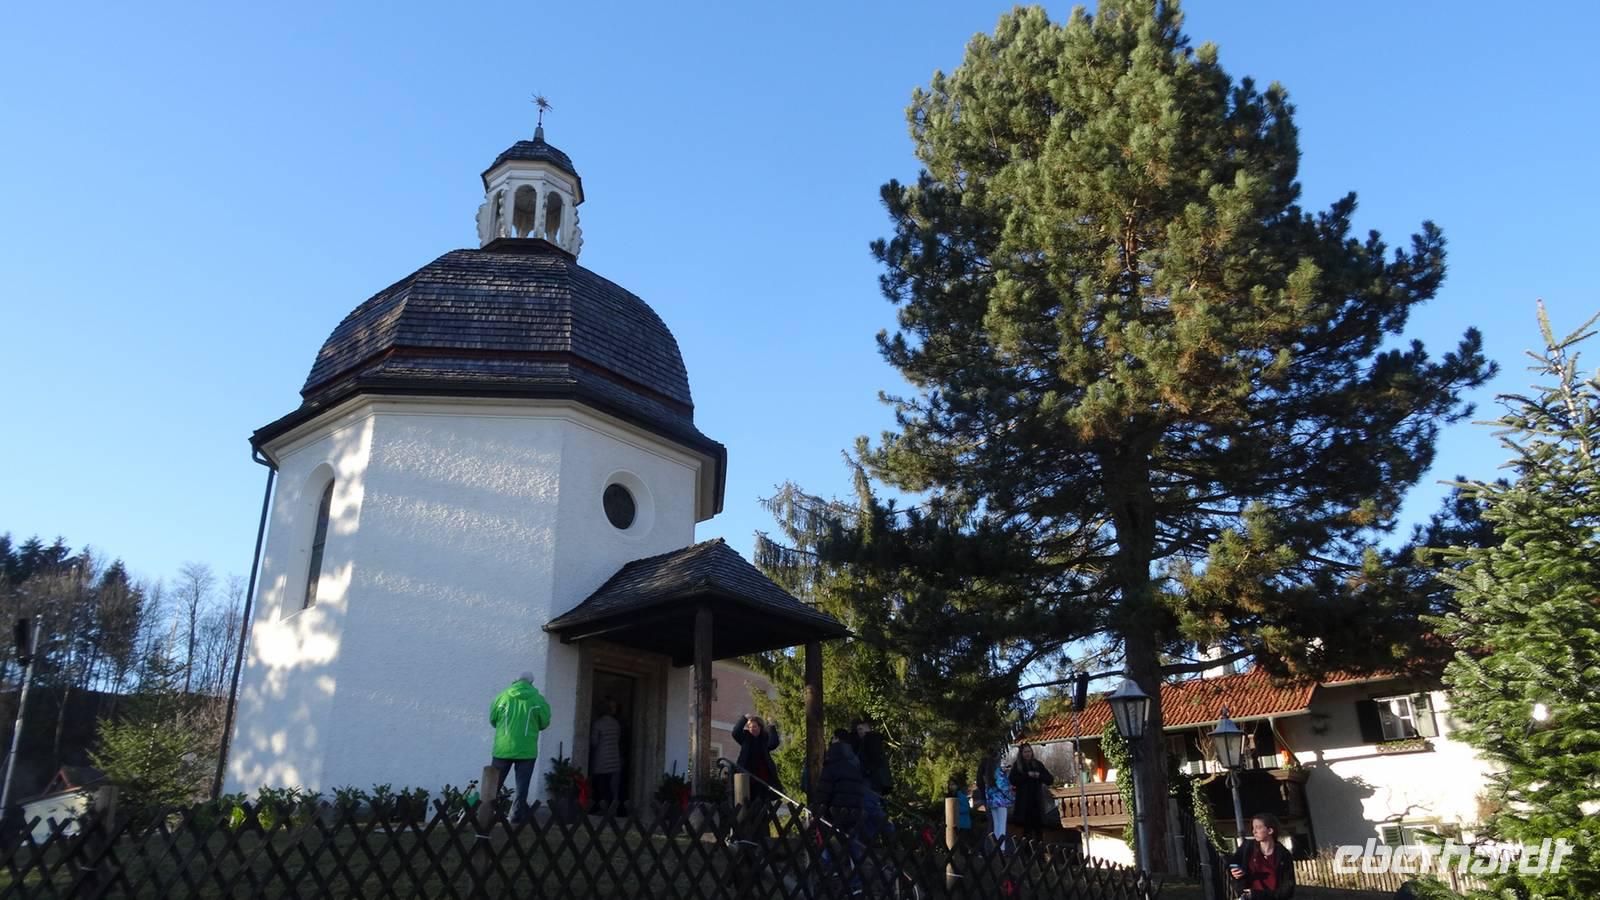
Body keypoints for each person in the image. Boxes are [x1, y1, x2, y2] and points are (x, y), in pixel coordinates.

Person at [488, 672, 552, 823]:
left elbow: (493, 720)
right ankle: (515, 817)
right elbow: (544, 723)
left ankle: (485, 815)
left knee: (493, 785)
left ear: (515, 680)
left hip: (502, 749)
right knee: (522, 787)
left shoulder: (501, 697)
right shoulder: (539, 700)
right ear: (532, 682)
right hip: (527, 750)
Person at [1227, 813, 1296, 899]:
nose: (1254, 831)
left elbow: (1288, 889)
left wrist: (1259, 895)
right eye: (1253, 828)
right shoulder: (1247, 847)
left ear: (1270, 830)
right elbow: (1230, 864)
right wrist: (1234, 871)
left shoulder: (1284, 855)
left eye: (1258, 827)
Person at [1007, 743, 1055, 843]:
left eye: (1029, 751)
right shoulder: (1017, 766)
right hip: (1024, 803)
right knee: (1026, 831)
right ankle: (1026, 853)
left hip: (1037, 802)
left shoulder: (1037, 764)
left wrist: (1039, 775)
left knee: (1039, 830)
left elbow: (1050, 780)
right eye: (1025, 752)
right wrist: (1026, 775)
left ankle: (1039, 852)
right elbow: (1012, 780)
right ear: (1021, 753)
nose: (1027, 754)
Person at [731, 714, 783, 801]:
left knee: (762, 801)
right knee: (747, 800)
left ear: (760, 727)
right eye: (750, 727)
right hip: (747, 775)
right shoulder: (745, 737)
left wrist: (771, 726)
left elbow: (774, 743)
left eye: (754, 727)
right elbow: (735, 733)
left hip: (762, 776)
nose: (751, 729)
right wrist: (744, 718)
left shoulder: (764, 739)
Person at [589, 697, 623, 812]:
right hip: (614, 759)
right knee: (611, 788)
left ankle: (601, 810)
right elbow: (617, 739)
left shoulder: (598, 724)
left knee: (601, 787)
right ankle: (612, 810)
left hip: (601, 759)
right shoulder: (616, 724)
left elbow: (594, 742)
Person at [978, 752, 1015, 851]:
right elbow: (1003, 786)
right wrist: (1012, 796)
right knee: (1002, 825)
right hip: (1001, 802)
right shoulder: (998, 772)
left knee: (996, 824)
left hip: (992, 802)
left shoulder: (987, 773)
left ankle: (995, 847)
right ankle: (1001, 848)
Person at [853, 719, 894, 797]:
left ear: (867, 729)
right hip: (875, 778)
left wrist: (867, 771)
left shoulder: (871, 739)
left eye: (861, 729)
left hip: (873, 779)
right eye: (858, 730)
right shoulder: (868, 740)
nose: (859, 731)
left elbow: (875, 758)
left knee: (870, 803)